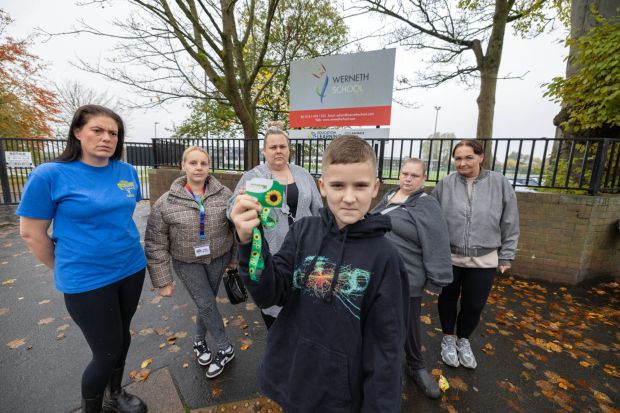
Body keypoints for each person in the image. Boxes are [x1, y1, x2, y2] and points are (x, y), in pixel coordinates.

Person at [230, 135, 409, 412]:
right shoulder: (303, 232)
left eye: (360, 186)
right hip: (292, 378)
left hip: (340, 397)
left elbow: (387, 350)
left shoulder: (386, 259)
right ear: (322, 187)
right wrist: (248, 239)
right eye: (338, 185)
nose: (349, 197)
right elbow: (270, 294)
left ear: (375, 188)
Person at [17, 105, 147, 413]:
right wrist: (65, 267)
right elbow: (32, 233)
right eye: (97, 130)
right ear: (77, 132)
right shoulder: (50, 175)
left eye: (113, 133)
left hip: (131, 269)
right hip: (86, 280)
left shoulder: (127, 172)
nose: (106, 138)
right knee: (106, 350)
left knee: (122, 337)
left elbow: (122, 218)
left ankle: (115, 395)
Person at [144, 146, 237, 379]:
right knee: (206, 303)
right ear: (183, 166)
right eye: (193, 163)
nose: (198, 167)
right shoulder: (166, 202)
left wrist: (234, 259)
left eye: (203, 163)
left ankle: (198, 342)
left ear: (209, 166)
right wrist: (163, 280)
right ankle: (226, 348)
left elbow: (235, 229)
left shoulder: (224, 194)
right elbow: (155, 241)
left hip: (218, 257)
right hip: (187, 262)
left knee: (206, 304)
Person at [431, 139, 520, 370]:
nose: (462, 163)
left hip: (484, 258)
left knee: (474, 304)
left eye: (468, 157)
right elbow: (431, 220)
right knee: (447, 299)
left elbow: (510, 220)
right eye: (458, 158)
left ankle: (464, 340)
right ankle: (448, 339)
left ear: (481, 157)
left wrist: (506, 255)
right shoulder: (445, 184)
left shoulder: (499, 183)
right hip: (449, 256)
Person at [227, 121, 323, 328]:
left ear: (289, 149)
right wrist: (241, 205)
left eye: (283, 147)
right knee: (277, 313)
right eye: (273, 147)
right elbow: (230, 210)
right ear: (264, 150)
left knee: (306, 300)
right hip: (274, 249)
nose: (278, 151)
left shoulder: (303, 174)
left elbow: (318, 208)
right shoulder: (252, 177)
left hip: (306, 248)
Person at [372, 158, 452, 399]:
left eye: (414, 175)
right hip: (379, 273)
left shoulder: (427, 205)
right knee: (379, 322)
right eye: (405, 173)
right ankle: (383, 367)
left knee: (408, 325)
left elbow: (437, 243)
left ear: (424, 179)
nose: (408, 178)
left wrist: (436, 280)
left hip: (407, 276)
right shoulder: (389, 196)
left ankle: (416, 366)